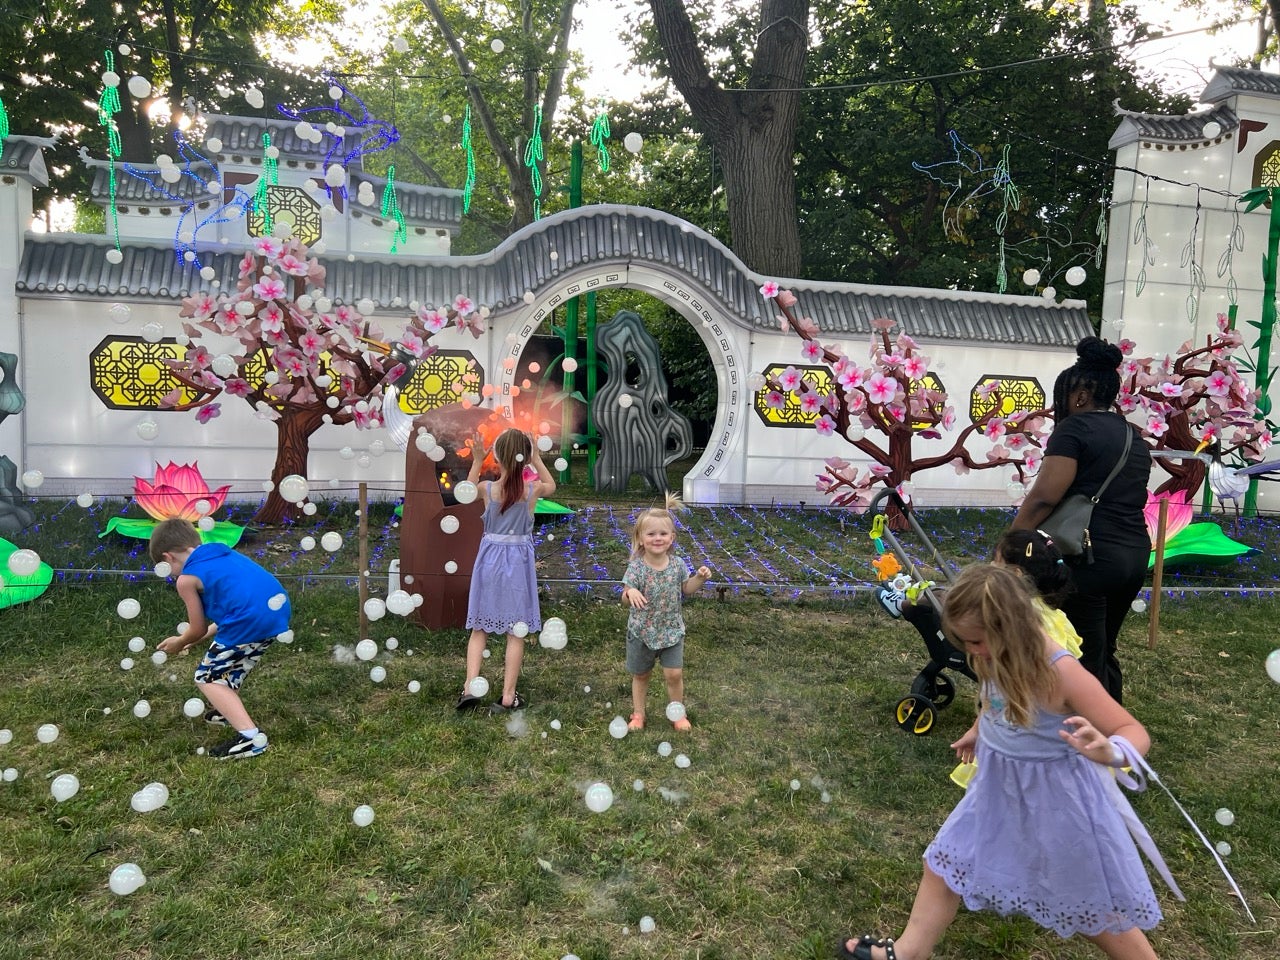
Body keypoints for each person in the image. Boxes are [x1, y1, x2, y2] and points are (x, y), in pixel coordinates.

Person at [841, 563, 1164, 960]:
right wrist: (981, 729)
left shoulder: (1060, 672)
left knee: (1091, 907)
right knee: (944, 864)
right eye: (965, 643)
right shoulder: (993, 654)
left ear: (1009, 628)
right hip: (998, 790)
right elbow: (997, 698)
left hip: (1056, 804)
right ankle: (909, 952)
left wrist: (1109, 750)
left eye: (976, 642)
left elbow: (1133, 730)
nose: (972, 652)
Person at [1012, 336, 1152, 703]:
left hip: (1089, 557)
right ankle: (1116, 730)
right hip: (1135, 554)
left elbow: (1045, 496)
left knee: (1082, 651)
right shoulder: (1133, 437)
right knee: (1104, 645)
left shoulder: (1073, 430)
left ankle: (1094, 738)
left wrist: (1012, 541)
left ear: (1079, 396)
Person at [149, 518, 291, 759]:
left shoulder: (186, 579)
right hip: (274, 611)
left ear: (168, 558)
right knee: (232, 662)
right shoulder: (221, 554)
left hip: (248, 620)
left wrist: (180, 641)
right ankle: (228, 710)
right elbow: (231, 612)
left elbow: (197, 627)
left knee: (208, 678)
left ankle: (251, 740)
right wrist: (194, 639)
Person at [459, 427, 555, 713]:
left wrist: (477, 460)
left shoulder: (487, 489)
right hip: (518, 563)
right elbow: (551, 484)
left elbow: (465, 491)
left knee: (479, 628)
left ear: (497, 457)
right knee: (516, 631)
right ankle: (507, 696)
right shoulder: (532, 490)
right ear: (525, 458)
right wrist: (537, 459)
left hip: (489, 560)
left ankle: (470, 687)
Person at [621, 494, 712, 732]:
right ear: (641, 539)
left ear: (672, 538)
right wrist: (630, 594)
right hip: (642, 632)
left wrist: (699, 579)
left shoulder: (678, 565)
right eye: (651, 534)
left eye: (663, 534)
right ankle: (638, 714)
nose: (657, 538)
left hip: (671, 630)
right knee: (641, 675)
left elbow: (687, 589)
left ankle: (677, 713)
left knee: (674, 674)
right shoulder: (637, 567)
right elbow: (625, 593)